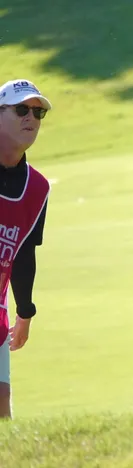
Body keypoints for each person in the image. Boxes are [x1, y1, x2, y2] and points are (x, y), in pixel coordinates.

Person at [0, 79, 52, 419]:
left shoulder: (37, 188)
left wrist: (25, 313)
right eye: (21, 110)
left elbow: (22, 252)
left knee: (1, 403)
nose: (30, 118)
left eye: (37, 112)